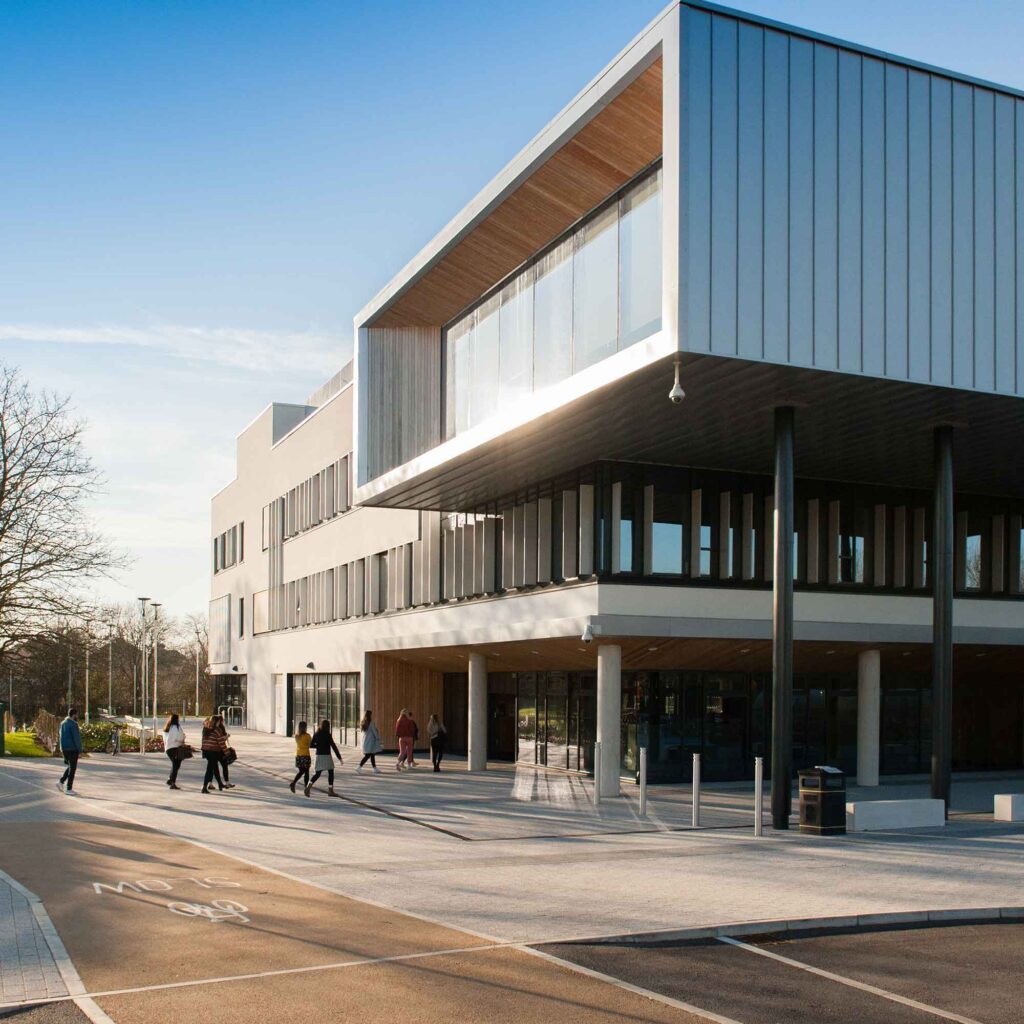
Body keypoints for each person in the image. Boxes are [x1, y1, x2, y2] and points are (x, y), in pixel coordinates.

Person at [306, 719, 342, 797]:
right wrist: (339, 757)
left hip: (319, 756)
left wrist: (318, 746)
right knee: (331, 772)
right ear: (328, 727)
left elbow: (311, 745)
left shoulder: (317, 733)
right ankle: (330, 790)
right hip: (327, 756)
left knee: (317, 774)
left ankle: (308, 786)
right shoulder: (328, 734)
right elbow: (333, 746)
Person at [57, 708, 82, 795]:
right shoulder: (73, 724)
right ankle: (69, 788)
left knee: (70, 767)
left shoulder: (62, 723)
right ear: (74, 714)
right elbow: (76, 738)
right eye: (77, 715)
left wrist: (61, 748)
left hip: (64, 748)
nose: (77, 716)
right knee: (72, 768)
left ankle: (61, 781)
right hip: (72, 749)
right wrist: (80, 749)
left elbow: (60, 736)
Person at [200, 716, 225, 794]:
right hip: (213, 751)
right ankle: (204, 787)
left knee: (215, 767)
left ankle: (220, 784)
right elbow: (221, 742)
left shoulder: (206, 728)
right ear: (216, 722)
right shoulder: (217, 730)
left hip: (206, 750)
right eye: (218, 722)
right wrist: (226, 752)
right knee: (209, 769)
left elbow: (203, 740)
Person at [163, 713, 187, 789]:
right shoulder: (176, 727)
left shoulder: (167, 727)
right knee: (176, 765)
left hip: (168, 748)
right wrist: (183, 737)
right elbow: (179, 737)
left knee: (175, 764)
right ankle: (172, 782)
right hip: (175, 747)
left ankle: (170, 779)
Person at [213, 715, 236, 789]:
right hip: (220, 750)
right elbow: (220, 740)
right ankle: (226, 782)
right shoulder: (219, 729)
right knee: (224, 766)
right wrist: (226, 737)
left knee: (213, 768)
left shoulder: (212, 728)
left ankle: (210, 783)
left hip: (215, 750)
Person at [291, 721, 312, 793]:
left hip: (298, 755)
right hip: (305, 755)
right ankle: (305, 787)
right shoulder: (307, 736)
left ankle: (294, 783)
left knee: (301, 771)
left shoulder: (296, 736)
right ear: (305, 727)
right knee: (306, 772)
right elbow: (310, 745)